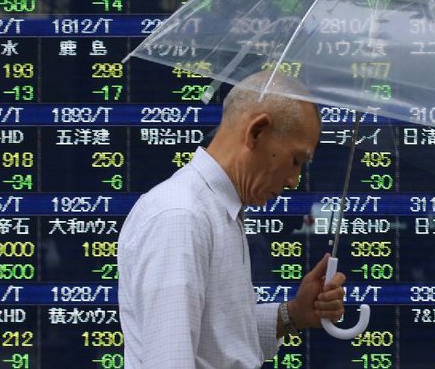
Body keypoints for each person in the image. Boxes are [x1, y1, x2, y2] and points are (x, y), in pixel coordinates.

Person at [118, 71, 346, 369]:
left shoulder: (213, 209)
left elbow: (220, 341)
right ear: (257, 131)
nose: (294, 180)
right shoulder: (181, 216)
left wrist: (293, 314)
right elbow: (169, 360)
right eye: (295, 160)